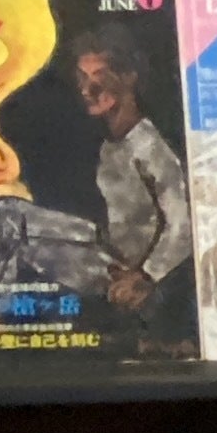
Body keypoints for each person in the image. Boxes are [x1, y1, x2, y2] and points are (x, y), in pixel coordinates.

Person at [69, 27, 191, 317]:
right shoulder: (109, 147)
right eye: (82, 78)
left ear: (128, 77)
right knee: (15, 219)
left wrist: (145, 276)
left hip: (145, 279)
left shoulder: (150, 146)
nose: (87, 90)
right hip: (111, 264)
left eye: (99, 77)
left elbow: (182, 226)